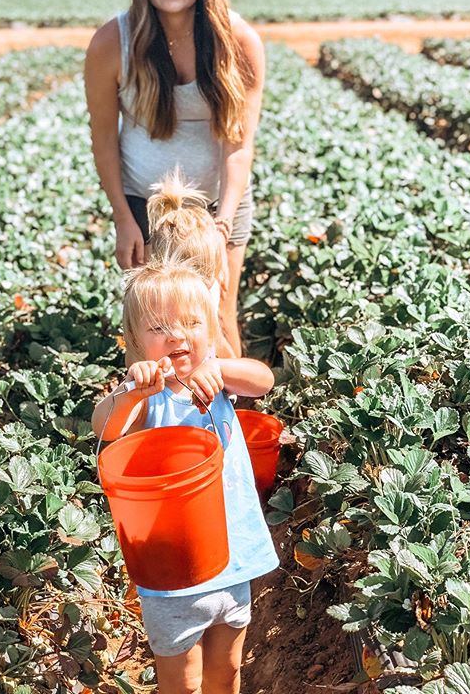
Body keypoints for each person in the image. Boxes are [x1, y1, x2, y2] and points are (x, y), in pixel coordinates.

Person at [84, 0, 266, 357]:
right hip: (144, 203)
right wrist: (124, 219)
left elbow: (239, 146)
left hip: (216, 205)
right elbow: (103, 138)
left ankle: (230, 419)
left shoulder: (238, 42)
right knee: (153, 323)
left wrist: (221, 225)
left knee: (217, 310)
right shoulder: (112, 42)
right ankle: (156, 422)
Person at [92, 261, 278, 694]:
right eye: (159, 326)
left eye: (192, 323)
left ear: (210, 331)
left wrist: (221, 369)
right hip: (173, 574)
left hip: (234, 558)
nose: (177, 335)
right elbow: (104, 427)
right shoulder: (146, 397)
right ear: (136, 341)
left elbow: (263, 380)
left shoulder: (219, 378)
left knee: (227, 671)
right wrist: (129, 391)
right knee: (183, 684)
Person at [147, 167, 235, 356]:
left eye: (207, 275)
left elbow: (218, 341)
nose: (200, 286)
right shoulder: (153, 301)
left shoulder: (210, 290)